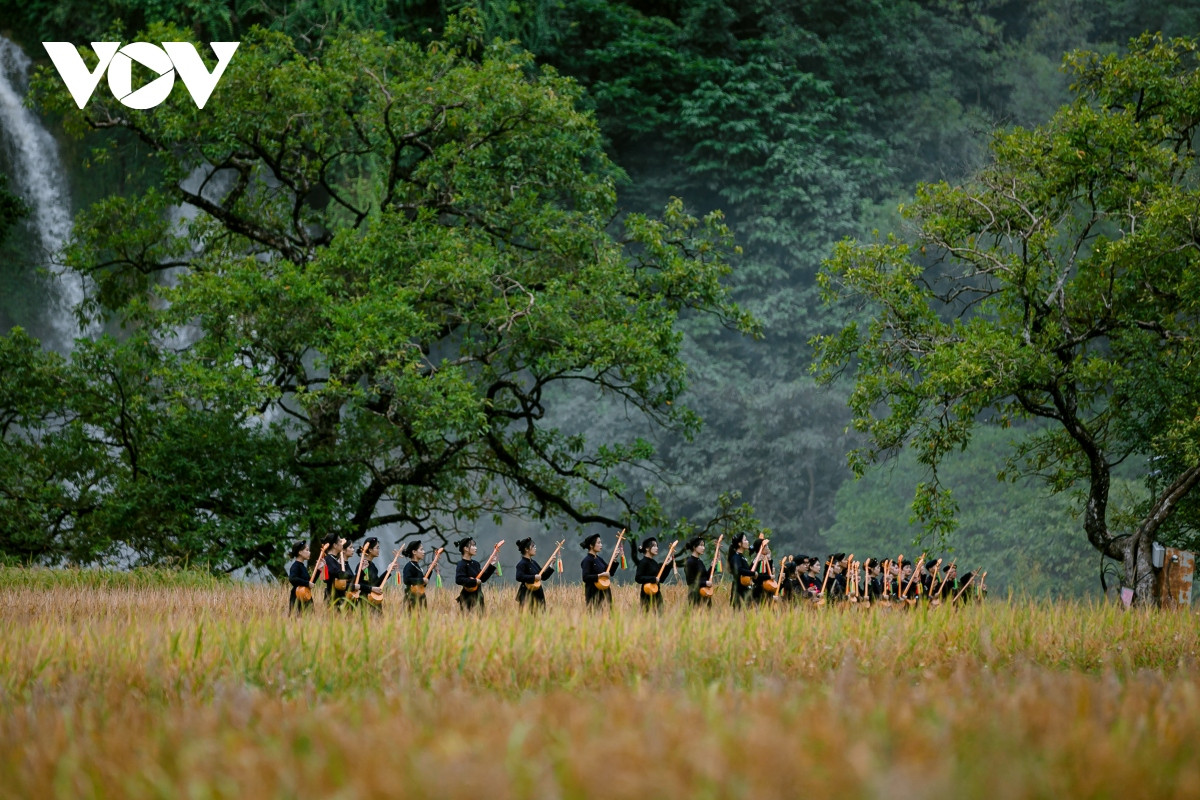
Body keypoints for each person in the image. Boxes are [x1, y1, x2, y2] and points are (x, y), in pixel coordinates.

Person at [454, 536, 497, 613]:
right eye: (473, 546)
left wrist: (491, 565)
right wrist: (474, 582)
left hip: (478, 597)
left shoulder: (476, 564)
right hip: (467, 599)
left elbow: (482, 579)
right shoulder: (461, 564)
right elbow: (459, 579)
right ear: (466, 549)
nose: (476, 548)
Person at [634, 538, 673, 612]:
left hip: (657, 593)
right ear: (647, 548)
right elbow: (638, 578)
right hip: (646, 594)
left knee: (660, 617)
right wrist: (653, 579)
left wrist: (667, 565)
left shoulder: (655, 563)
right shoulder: (643, 562)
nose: (657, 548)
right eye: (654, 546)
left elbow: (661, 579)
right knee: (647, 617)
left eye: (657, 546)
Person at [514, 538, 551, 611]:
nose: (535, 549)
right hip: (527, 595)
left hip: (538, 595)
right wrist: (533, 577)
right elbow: (519, 577)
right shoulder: (521, 564)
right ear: (526, 549)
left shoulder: (534, 563)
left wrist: (551, 565)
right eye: (533, 546)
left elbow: (543, 577)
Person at [580, 534, 613, 610]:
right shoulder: (587, 560)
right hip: (593, 592)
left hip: (605, 591)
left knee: (608, 614)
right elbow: (585, 577)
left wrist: (614, 560)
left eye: (601, 543)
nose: (601, 545)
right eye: (598, 543)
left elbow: (610, 572)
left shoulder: (599, 559)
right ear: (591, 545)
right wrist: (599, 576)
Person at [354, 537, 384, 613]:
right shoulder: (362, 565)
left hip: (374, 600)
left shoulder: (372, 565)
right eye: (377, 548)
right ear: (370, 550)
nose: (378, 550)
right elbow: (358, 584)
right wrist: (371, 589)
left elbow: (377, 584)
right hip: (365, 601)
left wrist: (388, 571)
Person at [321, 533, 350, 607]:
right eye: (340, 542)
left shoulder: (334, 560)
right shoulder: (328, 559)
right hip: (332, 596)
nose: (342, 544)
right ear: (334, 545)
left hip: (338, 595)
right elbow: (336, 573)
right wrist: (348, 575)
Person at [727, 533, 756, 608]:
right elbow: (739, 570)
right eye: (745, 540)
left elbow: (747, 570)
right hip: (738, 591)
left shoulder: (741, 556)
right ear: (740, 544)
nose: (747, 541)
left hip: (744, 589)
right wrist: (753, 573)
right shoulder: (736, 557)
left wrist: (755, 561)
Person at [683, 536, 713, 607]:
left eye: (704, 545)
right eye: (701, 545)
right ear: (694, 547)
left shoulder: (700, 561)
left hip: (705, 594)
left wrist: (712, 567)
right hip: (695, 595)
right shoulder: (689, 562)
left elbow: (706, 577)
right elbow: (690, 581)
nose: (703, 548)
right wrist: (705, 582)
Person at [287, 541, 315, 615]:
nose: (309, 552)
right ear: (300, 552)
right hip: (297, 597)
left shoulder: (302, 566)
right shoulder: (295, 566)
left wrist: (318, 569)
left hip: (305, 596)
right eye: (307, 550)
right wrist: (307, 583)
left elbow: (311, 582)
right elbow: (292, 578)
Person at [401, 540, 428, 611]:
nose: (424, 552)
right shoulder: (409, 566)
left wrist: (430, 570)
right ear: (414, 552)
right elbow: (406, 580)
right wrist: (422, 580)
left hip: (420, 597)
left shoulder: (417, 566)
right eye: (421, 549)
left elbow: (423, 583)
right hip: (412, 598)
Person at [750, 538, 775, 605]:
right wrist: (769, 576)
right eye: (766, 546)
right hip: (759, 590)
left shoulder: (765, 558)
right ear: (761, 548)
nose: (768, 548)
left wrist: (769, 559)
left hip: (767, 589)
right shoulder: (758, 561)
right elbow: (758, 576)